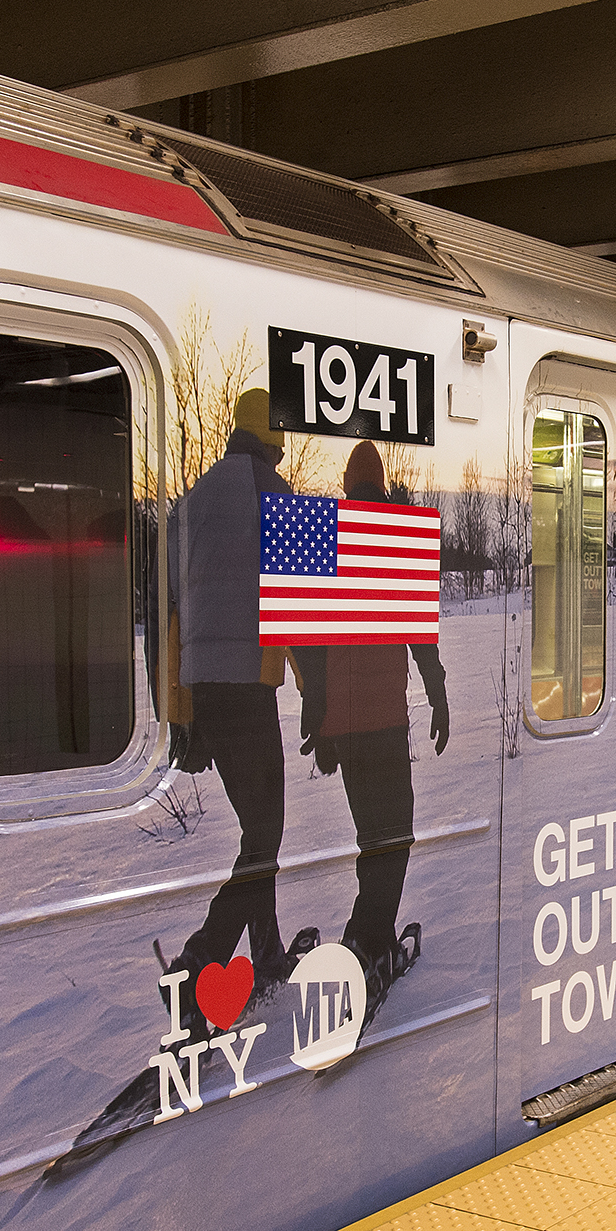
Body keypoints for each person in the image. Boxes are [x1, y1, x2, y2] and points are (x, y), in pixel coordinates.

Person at [160, 387, 318, 1016]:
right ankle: (200, 960)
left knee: (259, 830)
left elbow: (170, 609)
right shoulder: (277, 499)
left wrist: (179, 708)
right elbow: (306, 610)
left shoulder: (189, 504)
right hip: (251, 689)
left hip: (204, 690)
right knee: (265, 832)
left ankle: (269, 950)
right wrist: (316, 692)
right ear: (275, 437)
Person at [291, 442, 449, 1021]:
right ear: (379, 482)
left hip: (345, 726)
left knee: (372, 840)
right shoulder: (394, 536)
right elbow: (421, 638)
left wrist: (318, 714)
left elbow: (305, 637)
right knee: (395, 838)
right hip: (384, 720)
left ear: (345, 482)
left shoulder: (323, 535)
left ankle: (367, 936)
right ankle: (368, 943)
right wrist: (437, 695)